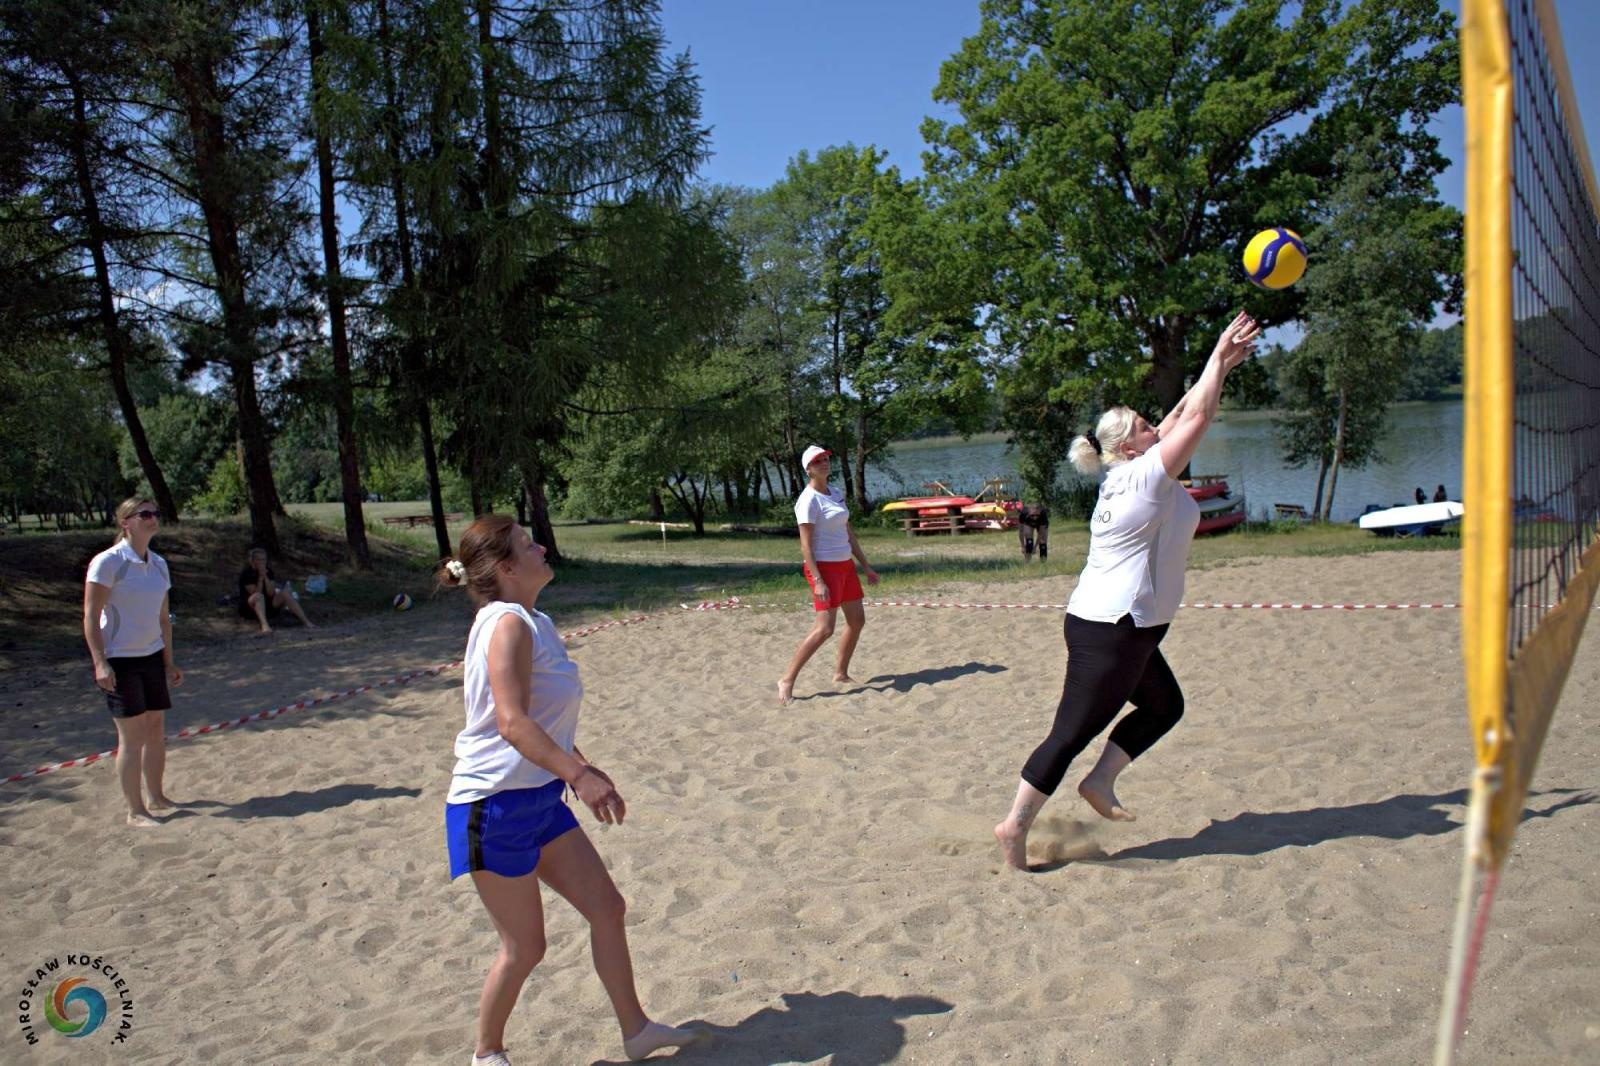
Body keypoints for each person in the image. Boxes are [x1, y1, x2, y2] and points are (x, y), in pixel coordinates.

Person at [994, 311, 1262, 870]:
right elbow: (1200, 414)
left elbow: (1185, 411)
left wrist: (1220, 365)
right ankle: (1014, 826)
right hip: (1111, 631)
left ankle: (1100, 781)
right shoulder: (1145, 477)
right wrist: (1217, 355)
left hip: (1124, 628)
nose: (1154, 426)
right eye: (1144, 425)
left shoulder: (1131, 469)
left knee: (1164, 705)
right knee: (1069, 734)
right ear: (1130, 446)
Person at [439, 516, 699, 1066]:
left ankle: (636, 1032)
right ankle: (487, 1053)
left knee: (607, 907)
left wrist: (579, 764)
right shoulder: (506, 624)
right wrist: (577, 776)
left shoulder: (537, 621)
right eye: (527, 544)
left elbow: (542, 719)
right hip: (492, 806)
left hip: (538, 798)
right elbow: (512, 722)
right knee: (525, 947)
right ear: (506, 568)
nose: (540, 547)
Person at [83, 497, 184, 828]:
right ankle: (135, 811)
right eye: (145, 514)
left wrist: (169, 662)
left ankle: (157, 796)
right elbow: (90, 616)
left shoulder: (159, 564)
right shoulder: (108, 562)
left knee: (155, 729)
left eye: (156, 513)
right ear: (125, 522)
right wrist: (100, 662)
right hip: (120, 659)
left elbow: (163, 619)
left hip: (151, 655)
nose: (153, 518)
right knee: (132, 736)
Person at [778, 445, 880, 705]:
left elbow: (848, 532)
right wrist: (818, 581)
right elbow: (805, 546)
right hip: (823, 568)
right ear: (808, 469)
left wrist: (866, 566)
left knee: (857, 621)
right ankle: (787, 679)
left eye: (825, 459)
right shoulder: (808, 500)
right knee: (824, 629)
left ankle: (840, 673)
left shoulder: (835, 493)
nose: (824, 463)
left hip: (845, 565)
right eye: (817, 461)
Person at [237, 547, 316, 633]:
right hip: (251, 607)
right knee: (258, 596)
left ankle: (306, 621)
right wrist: (260, 578)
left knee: (285, 592)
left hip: (268, 605)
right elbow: (256, 593)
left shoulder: (269, 571)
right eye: (259, 560)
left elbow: (270, 593)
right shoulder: (247, 573)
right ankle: (265, 625)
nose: (262, 562)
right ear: (252, 561)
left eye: (264, 559)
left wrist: (265, 577)